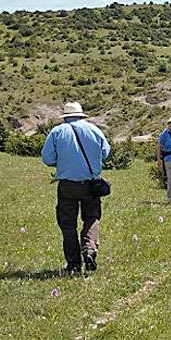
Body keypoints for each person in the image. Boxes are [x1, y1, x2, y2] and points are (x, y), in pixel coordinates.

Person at [40, 102, 111, 275]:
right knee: (92, 218)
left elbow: (47, 158)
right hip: (91, 185)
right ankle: (89, 250)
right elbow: (105, 153)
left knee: (67, 224)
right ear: (81, 115)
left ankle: (73, 264)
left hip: (67, 185)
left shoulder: (57, 131)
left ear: (65, 116)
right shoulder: (94, 130)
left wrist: (63, 160)